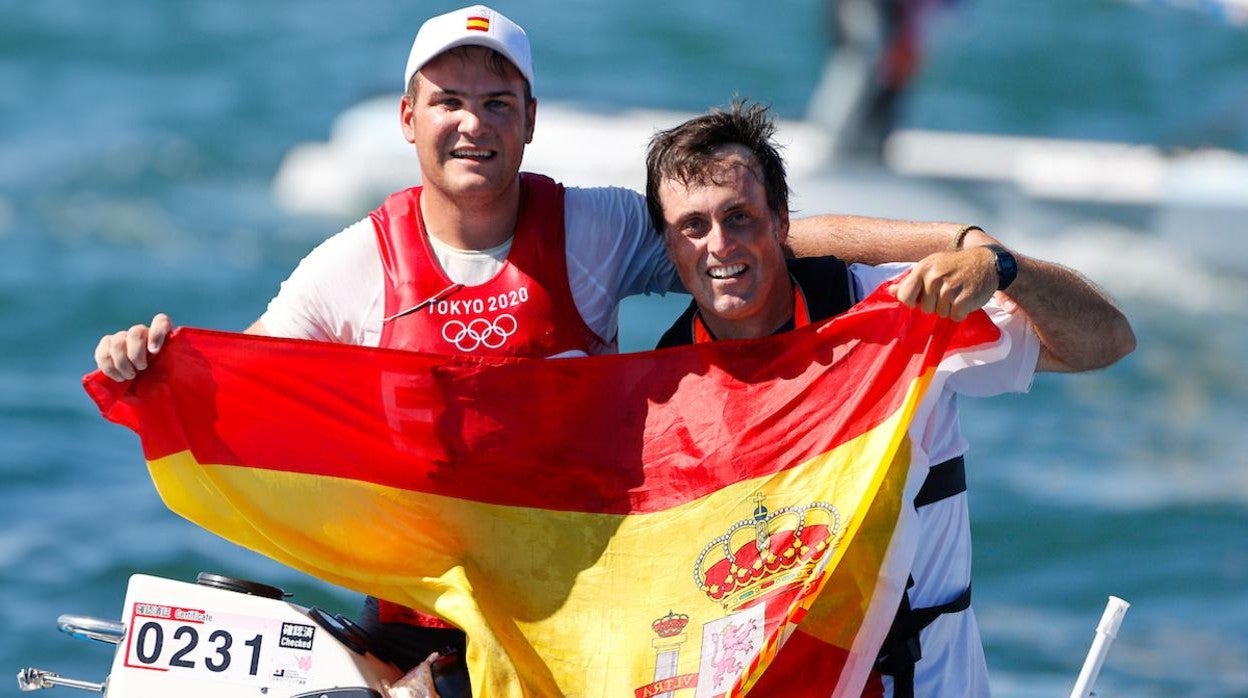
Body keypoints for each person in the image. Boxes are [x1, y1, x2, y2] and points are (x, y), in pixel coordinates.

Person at [92, 5, 1049, 693]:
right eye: (449, 100)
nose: (474, 122)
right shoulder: (347, 271)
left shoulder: (591, 229)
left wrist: (955, 245)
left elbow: (759, 238)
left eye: (499, 101)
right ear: (409, 119)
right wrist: (148, 362)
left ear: (530, 119)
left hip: (572, 615)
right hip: (424, 622)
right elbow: (241, 389)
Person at [645, 100, 1135, 697]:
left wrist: (1003, 267)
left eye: (740, 216)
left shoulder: (896, 314)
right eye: (693, 226)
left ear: (781, 222)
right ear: (668, 247)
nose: (719, 244)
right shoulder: (660, 398)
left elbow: (1105, 342)